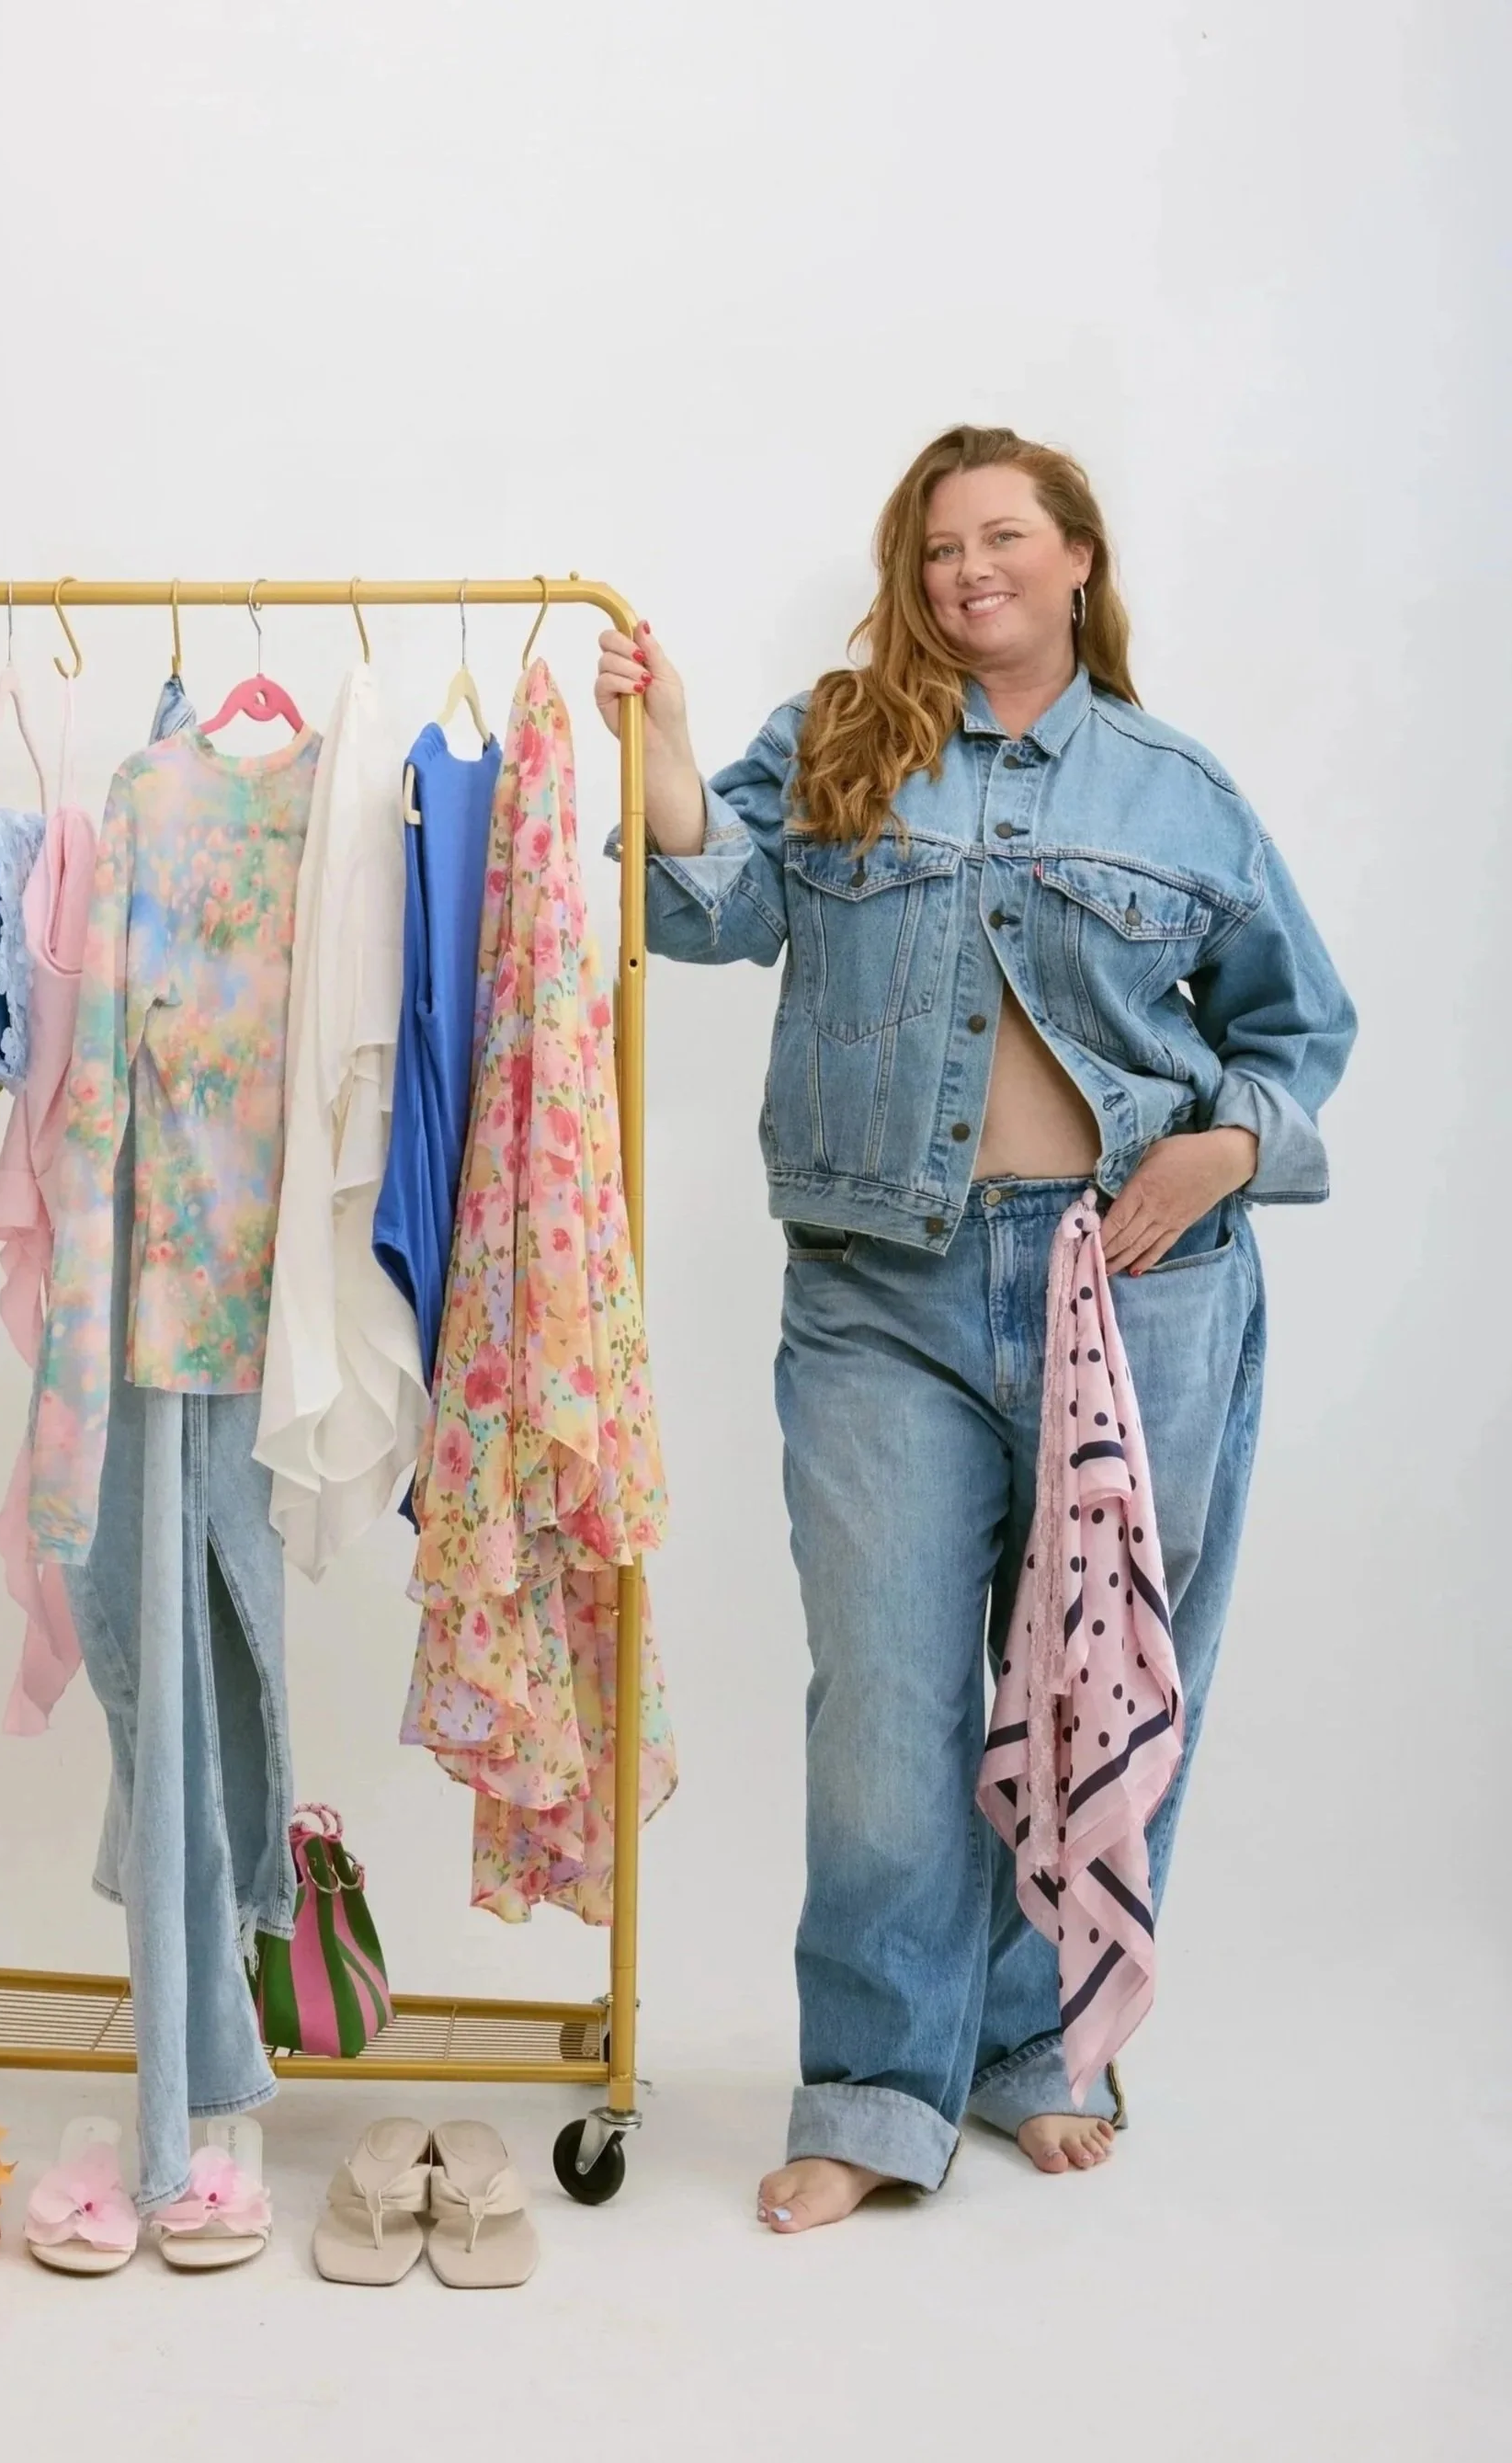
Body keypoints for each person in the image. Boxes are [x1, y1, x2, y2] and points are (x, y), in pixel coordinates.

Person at [595, 424, 1355, 2234]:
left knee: (1097, 1676)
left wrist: (1223, 1149)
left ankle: (1042, 2046)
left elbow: (1296, 1029)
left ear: (1077, 556)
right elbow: (708, 907)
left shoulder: (1177, 788)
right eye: (936, 547)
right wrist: (672, 756)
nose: (964, 572)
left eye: (1001, 536)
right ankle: (873, 2083)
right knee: (887, 1698)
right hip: (880, 1290)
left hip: (1143, 1285)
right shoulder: (848, 731)